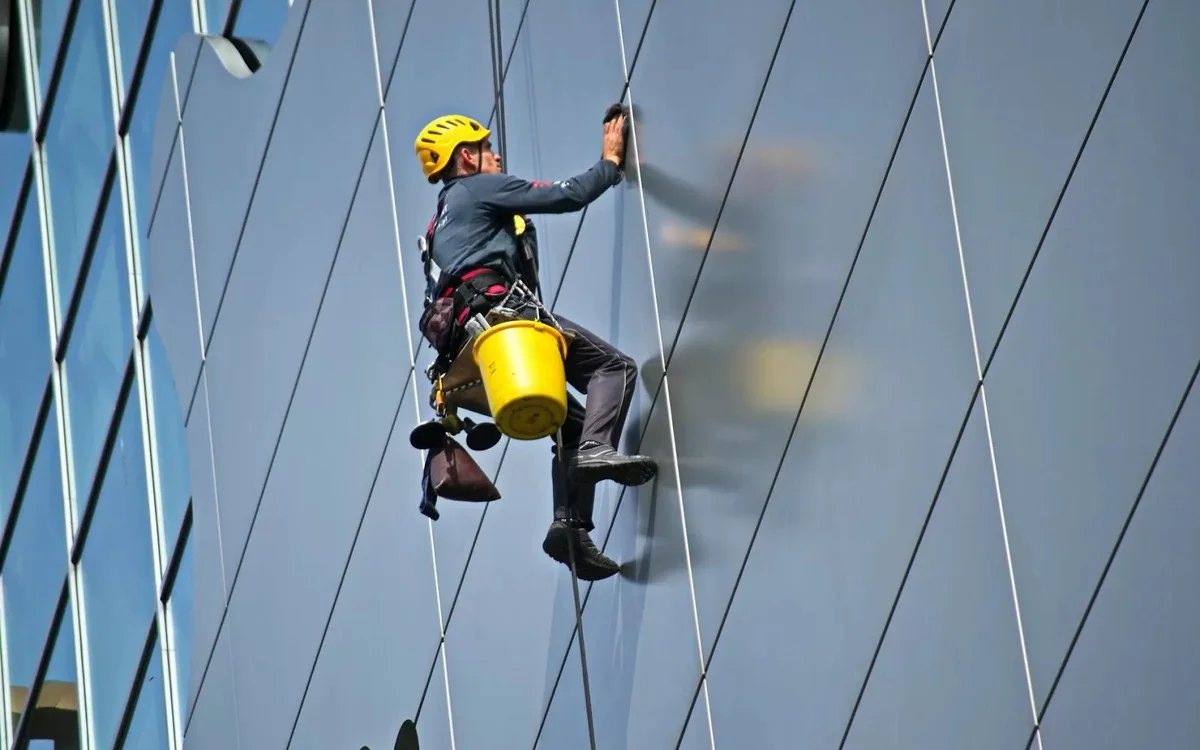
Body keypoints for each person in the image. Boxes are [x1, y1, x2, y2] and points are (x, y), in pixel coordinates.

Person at [413, 110, 657, 581]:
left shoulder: (439, 222)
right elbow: (567, 195)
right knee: (615, 368)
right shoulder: (476, 189)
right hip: (503, 321)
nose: (497, 155)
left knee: (573, 422)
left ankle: (569, 529)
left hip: (468, 355)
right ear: (466, 157)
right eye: (487, 148)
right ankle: (597, 451)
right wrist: (609, 163)